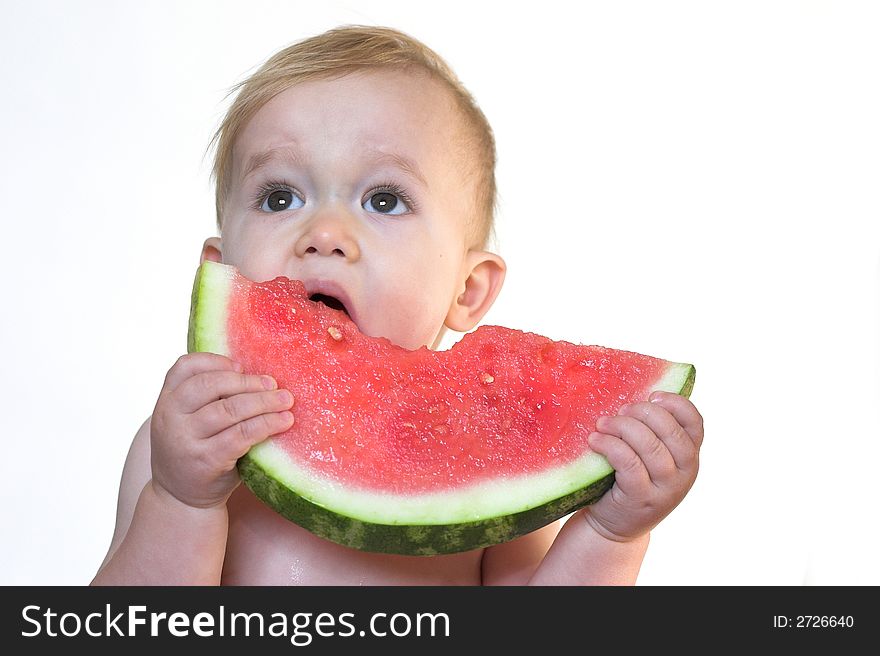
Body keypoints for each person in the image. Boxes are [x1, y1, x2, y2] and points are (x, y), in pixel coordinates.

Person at [92, 25, 703, 586]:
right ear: (216, 269)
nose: (325, 231)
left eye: (384, 200)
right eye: (280, 197)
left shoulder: (482, 457)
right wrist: (181, 501)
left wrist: (610, 534)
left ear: (468, 289)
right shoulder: (179, 447)